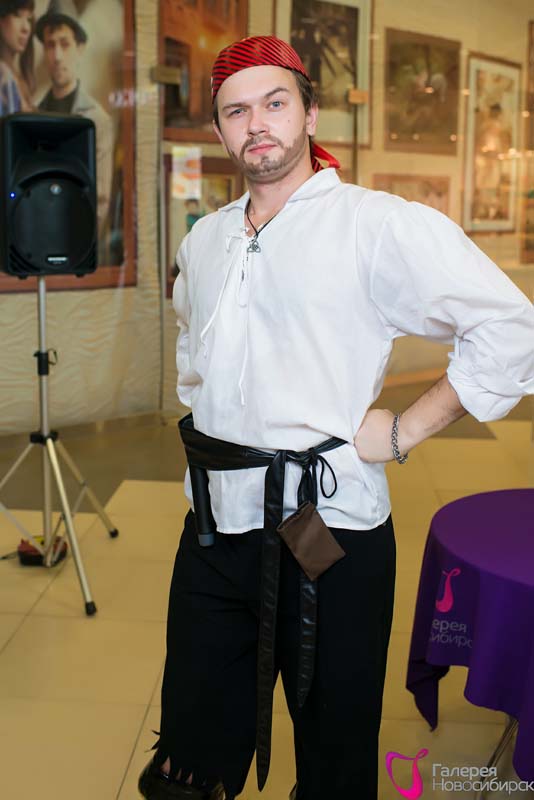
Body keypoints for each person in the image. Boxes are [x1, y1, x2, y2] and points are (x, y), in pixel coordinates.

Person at [139, 36, 534, 800]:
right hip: (214, 532)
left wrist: (404, 430)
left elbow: (510, 328)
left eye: (274, 103)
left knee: (335, 741)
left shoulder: (373, 226)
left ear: (310, 113)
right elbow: (194, 346)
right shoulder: (206, 238)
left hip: (328, 531)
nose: (257, 123)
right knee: (191, 739)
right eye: (236, 111)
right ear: (220, 131)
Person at [35, 0, 112, 237]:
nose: (57, 56)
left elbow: (101, 199)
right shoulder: (33, 116)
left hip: (76, 242)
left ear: (80, 48)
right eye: (50, 45)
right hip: (36, 236)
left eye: (65, 44)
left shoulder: (96, 119)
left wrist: (77, 245)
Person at [0, 0, 35, 115]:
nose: (26, 28)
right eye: (18, 15)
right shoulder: (3, 74)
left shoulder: (19, 78)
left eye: (29, 19)